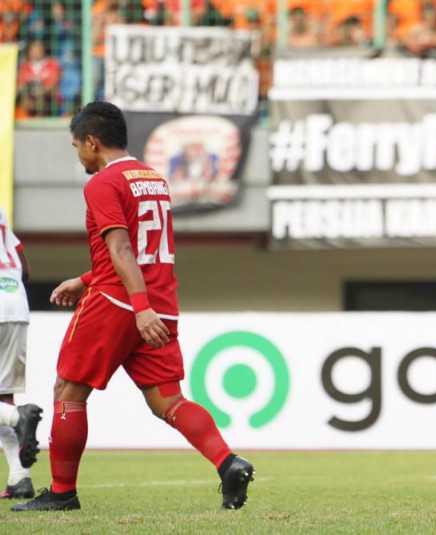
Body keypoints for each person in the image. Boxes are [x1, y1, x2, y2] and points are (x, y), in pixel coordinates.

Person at [13, 102, 254, 512]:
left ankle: (62, 491)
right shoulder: (153, 178)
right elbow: (143, 249)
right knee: (169, 400)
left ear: (92, 141)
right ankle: (228, 462)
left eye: (77, 147)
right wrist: (88, 278)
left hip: (118, 303)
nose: (79, 157)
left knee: (68, 390)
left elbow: (123, 246)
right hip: (160, 302)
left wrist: (134, 306)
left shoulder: (102, 183)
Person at [0, 208, 43, 500]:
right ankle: (19, 478)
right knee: (3, 399)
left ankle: (18, 417)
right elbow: (24, 266)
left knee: (9, 411)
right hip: (16, 304)